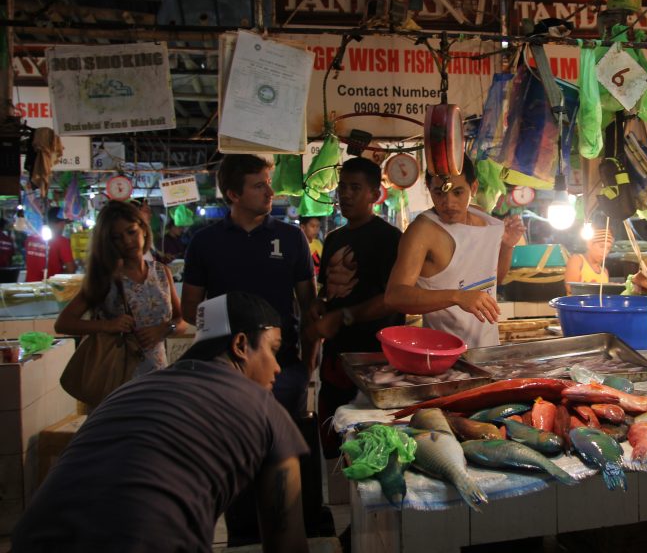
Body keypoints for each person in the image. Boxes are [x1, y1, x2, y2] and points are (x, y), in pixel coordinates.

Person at [13, 292, 310, 553]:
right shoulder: (263, 408)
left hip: (34, 538)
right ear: (241, 344)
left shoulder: (127, 393)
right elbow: (288, 545)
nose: (277, 366)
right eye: (273, 349)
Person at [181, 154, 318, 545]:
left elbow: (308, 307)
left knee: (283, 459)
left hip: (284, 368)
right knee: (235, 457)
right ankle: (243, 539)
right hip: (226, 374)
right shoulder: (205, 242)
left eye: (269, 183)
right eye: (259, 185)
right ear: (233, 194)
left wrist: (307, 366)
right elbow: (191, 308)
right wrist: (231, 333)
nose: (271, 192)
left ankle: (290, 537)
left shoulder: (291, 238)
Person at [308, 157, 403, 458]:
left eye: (355, 188)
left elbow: (393, 297)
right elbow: (330, 291)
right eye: (342, 187)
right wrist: (321, 305)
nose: (345, 194)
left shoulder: (391, 240)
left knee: (373, 442)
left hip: (377, 361)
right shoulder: (334, 238)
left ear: (375, 195)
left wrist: (343, 316)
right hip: (336, 358)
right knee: (333, 438)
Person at [385, 154, 524, 348]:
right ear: (429, 190)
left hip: (487, 351)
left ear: (473, 188)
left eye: (458, 192)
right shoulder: (422, 231)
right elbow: (395, 296)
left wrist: (507, 246)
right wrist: (457, 296)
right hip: (443, 353)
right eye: (439, 193)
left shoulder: (484, 219)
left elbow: (494, 281)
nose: (449, 203)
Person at [56, 201, 182, 379]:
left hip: (158, 374)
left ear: (144, 230)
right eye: (117, 237)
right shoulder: (105, 278)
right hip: (116, 378)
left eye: (131, 231)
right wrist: (106, 326)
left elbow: (181, 320)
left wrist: (165, 329)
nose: (127, 241)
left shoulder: (161, 272)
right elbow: (63, 323)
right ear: (108, 241)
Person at [24, 206, 76, 282]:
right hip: (49, 288)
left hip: (29, 287)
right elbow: (71, 269)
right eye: (64, 223)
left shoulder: (30, 239)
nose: (64, 226)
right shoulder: (62, 241)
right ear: (61, 223)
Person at [564, 228, 614, 294]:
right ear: (589, 244)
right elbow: (571, 288)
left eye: (608, 248)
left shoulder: (604, 271)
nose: (605, 251)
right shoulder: (577, 260)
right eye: (602, 246)